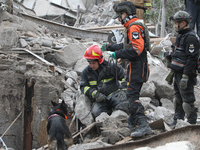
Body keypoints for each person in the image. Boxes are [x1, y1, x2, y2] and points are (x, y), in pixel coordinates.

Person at [101, 1, 153, 138]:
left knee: (132, 97)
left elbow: (136, 50)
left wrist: (116, 54)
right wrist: (110, 47)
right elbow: (125, 45)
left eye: (119, 16)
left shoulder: (134, 28)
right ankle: (132, 123)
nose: (118, 19)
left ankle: (144, 126)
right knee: (130, 95)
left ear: (124, 14)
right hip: (135, 68)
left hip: (137, 69)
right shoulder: (132, 26)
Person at [166, 10, 199, 126]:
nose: (175, 26)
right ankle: (177, 120)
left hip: (186, 74)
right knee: (178, 99)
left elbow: (192, 58)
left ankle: (191, 122)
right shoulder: (180, 36)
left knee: (187, 100)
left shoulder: (191, 38)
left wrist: (186, 76)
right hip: (177, 73)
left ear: (184, 22)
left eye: (177, 23)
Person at [80, 45, 128, 118]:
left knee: (124, 106)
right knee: (96, 112)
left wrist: (124, 90)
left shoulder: (111, 67)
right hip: (100, 98)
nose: (91, 66)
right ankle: (110, 113)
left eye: (93, 63)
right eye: (90, 63)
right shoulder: (86, 72)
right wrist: (94, 93)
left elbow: (125, 76)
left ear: (99, 61)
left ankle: (117, 115)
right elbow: (83, 87)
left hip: (115, 94)